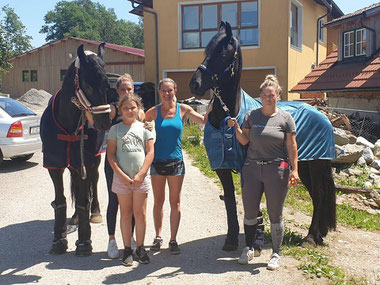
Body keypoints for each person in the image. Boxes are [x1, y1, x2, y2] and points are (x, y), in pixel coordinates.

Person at [228, 74, 299, 270]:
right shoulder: (251, 116)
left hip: (277, 170)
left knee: (275, 213)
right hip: (251, 169)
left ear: (278, 95)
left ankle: (276, 253)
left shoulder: (286, 118)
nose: (269, 98)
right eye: (265, 95)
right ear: (260, 96)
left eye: (272, 94)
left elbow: (292, 145)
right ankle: (249, 248)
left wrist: (295, 170)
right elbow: (244, 140)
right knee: (250, 211)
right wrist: (235, 128)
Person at [144, 78, 207, 254]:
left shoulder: (184, 109)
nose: (167, 94)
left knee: (175, 202)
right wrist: (145, 125)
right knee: (158, 202)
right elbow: (137, 125)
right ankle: (158, 237)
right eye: (163, 90)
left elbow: (204, 121)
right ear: (159, 92)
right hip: (157, 163)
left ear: (175, 91)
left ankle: (173, 239)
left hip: (176, 163)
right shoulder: (153, 112)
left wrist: (216, 110)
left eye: (170, 90)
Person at [107, 93, 154, 265]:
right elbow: (111, 155)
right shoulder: (115, 130)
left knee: (140, 214)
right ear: (120, 110)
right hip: (122, 179)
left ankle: (140, 248)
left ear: (138, 109)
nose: (129, 110)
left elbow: (150, 152)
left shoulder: (144, 129)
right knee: (126, 214)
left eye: (133, 107)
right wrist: (121, 175)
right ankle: (127, 248)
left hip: (141, 178)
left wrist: (141, 173)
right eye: (126, 108)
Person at [105, 73, 145, 259]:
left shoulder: (139, 110)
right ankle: (112, 239)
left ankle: (130, 238)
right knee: (115, 201)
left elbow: (146, 124)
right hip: (115, 165)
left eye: (129, 89)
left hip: (135, 169)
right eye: (123, 89)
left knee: (136, 205)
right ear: (117, 91)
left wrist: (150, 125)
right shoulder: (113, 109)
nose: (126, 92)